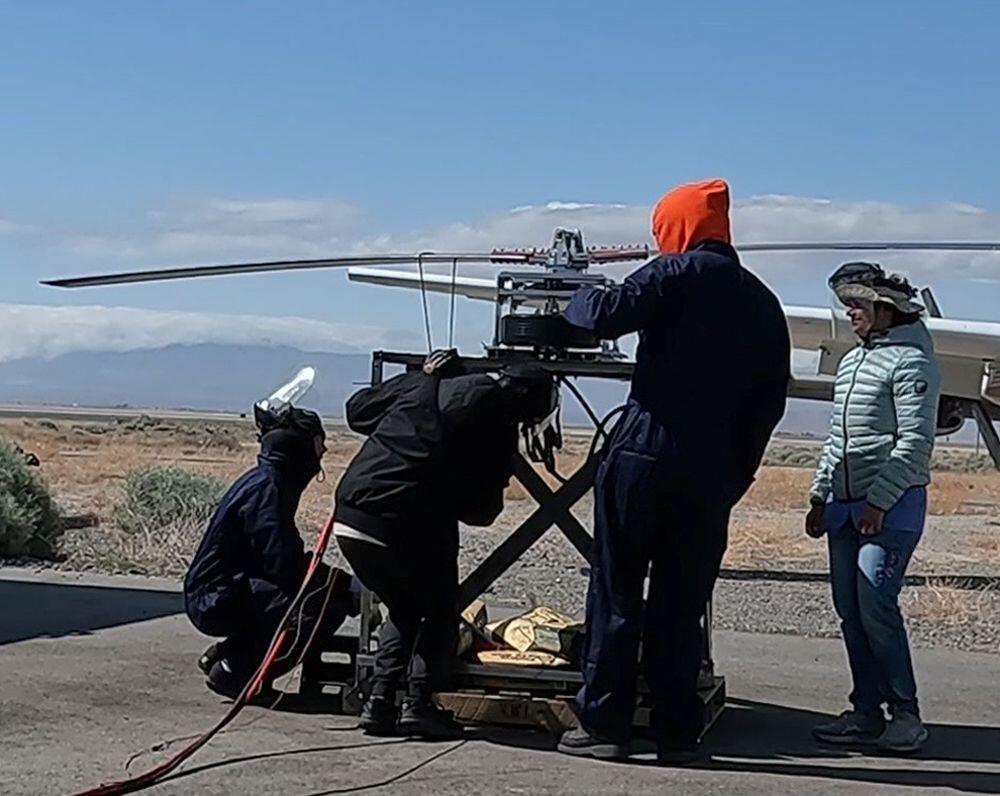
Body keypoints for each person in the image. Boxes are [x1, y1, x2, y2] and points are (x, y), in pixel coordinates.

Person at [556, 178, 791, 763]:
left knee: (616, 589)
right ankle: (677, 733)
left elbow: (603, 316)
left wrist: (572, 290)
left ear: (677, 228)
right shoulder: (763, 302)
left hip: (647, 451)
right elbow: (770, 402)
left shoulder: (674, 274)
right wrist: (736, 472)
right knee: (682, 602)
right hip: (713, 470)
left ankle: (604, 725)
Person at [334, 352, 557, 739]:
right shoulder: (498, 425)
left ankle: (379, 701)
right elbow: (481, 511)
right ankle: (419, 703)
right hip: (402, 522)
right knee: (437, 609)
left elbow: (358, 411)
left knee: (404, 608)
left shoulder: (428, 382)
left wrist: (422, 378)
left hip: (351, 515)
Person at [806, 262, 940, 753]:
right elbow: (837, 441)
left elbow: (914, 444)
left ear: (887, 309)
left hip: (891, 509)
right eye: (848, 303)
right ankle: (866, 710)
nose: (850, 312)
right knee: (850, 610)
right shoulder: (853, 362)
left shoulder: (914, 364)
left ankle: (905, 714)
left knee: (875, 606)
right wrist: (820, 494)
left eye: (859, 303)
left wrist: (879, 502)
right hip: (844, 507)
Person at [184, 405, 358, 699]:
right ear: (300, 446)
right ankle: (235, 672)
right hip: (218, 596)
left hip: (227, 587)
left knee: (318, 591)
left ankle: (227, 654)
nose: (323, 451)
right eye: (318, 443)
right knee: (321, 604)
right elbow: (282, 562)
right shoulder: (269, 488)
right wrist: (339, 584)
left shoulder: (267, 479)